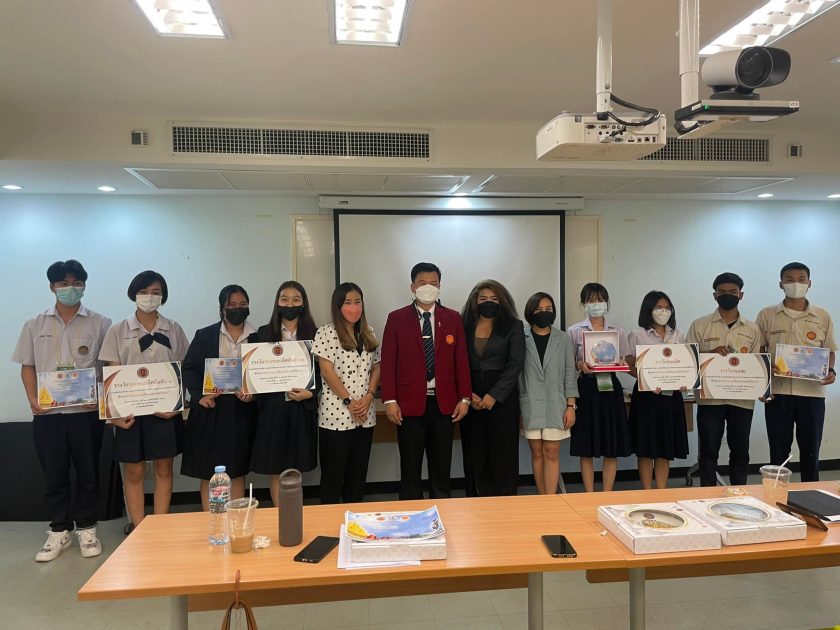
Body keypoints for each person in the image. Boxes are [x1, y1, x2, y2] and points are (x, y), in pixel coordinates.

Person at [12, 260, 111, 562]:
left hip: (86, 413)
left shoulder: (100, 323)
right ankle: (59, 529)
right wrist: (33, 399)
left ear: (84, 285)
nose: (70, 288)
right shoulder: (34, 324)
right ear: (52, 287)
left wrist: (102, 399)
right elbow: (27, 366)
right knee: (54, 474)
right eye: (63, 283)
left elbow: (108, 367)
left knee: (88, 474)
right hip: (49, 416)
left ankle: (87, 528)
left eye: (76, 283)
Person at [98, 270, 189, 530]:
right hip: (130, 414)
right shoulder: (117, 330)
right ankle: (138, 527)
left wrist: (177, 406)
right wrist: (114, 413)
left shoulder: (174, 329)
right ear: (134, 294)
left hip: (164, 413)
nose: (150, 297)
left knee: (164, 469)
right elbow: (111, 373)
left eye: (156, 292)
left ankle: (158, 526)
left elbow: (183, 370)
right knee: (134, 471)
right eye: (144, 291)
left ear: (163, 296)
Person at [380, 262, 472, 500]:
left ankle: (442, 511)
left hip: (444, 405)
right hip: (408, 405)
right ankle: (410, 513)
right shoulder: (396, 318)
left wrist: (465, 398)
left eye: (433, 283)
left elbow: (461, 361)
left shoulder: (452, 318)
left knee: (441, 467)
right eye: (422, 283)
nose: (428, 287)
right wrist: (389, 400)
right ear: (413, 287)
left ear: (440, 286)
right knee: (410, 468)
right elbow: (388, 362)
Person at [757, 262, 837, 482]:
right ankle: (776, 495)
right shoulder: (767, 315)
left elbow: (829, 350)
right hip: (778, 393)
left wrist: (830, 370)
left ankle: (811, 494)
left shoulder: (822, 316)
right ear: (781, 284)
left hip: (812, 394)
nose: (796, 284)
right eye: (790, 280)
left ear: (809, 283)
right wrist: (765, 369)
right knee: (778, 452)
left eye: (801, 279)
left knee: (811, 450)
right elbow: (759, 350)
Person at [181, 285, 257, 510]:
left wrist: (254, 395)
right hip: (212, 409)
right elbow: (190, 369)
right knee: (209, 470)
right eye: (232, 304)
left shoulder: (259, 336)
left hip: (243, 410)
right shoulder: (204, 335)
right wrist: (198, 396)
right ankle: (211, 519)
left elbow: (264, 373)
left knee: (238, 468)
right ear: (222, 307)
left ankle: (235, 519)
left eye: (242, 304)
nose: (237, 308)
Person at [686, 272, 764, 487]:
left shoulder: (752, 329)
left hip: (742, 400)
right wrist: (710, 353)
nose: (727, 295)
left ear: (741, 295)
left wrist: (763, 388)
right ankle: (707, 494)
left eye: (732, 292)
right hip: (710, 399)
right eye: (722, 292)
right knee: (708, 450)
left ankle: (739, 492)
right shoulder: (700, 325)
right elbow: (689, 360)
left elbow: (757, 364)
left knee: (740, 450)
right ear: (714, 295)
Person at [249, 281, 319, 506]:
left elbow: (324, 372)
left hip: (301, 408)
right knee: (275, 466)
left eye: (296, 299)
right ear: (277, 303)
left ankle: (294, 514)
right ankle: (281, 514)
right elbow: (253, 373)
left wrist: (311, 393)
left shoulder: (316, 334)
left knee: (295, 467)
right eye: (284, 299)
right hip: (272, 409)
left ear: (303, 304)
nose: (290, 304)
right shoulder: (262, 334)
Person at [312, 283, 381, 504]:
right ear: (338, 306)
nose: (354, 308)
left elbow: (376, 367)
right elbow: (326, 370)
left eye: (357, 302)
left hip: (365, 416)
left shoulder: (369, 332)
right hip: (336, 417)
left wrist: (369, 396)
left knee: (357, 478)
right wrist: (349, 401)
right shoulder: (326, 332)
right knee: (332, 479)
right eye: (348, 303)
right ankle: (329, 522)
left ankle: (354, 521)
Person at [460, 280, 525, 496]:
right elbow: (455, 362)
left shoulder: (514, 326)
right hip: (470, 398)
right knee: (474, 451)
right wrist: (467, 394)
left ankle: (505, 501)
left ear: (502, 301)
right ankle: (474, 499)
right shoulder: (462, 325)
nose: (489, 302)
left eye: (494, 299)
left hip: (502, 400)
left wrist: (493, 396)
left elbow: (515, 363)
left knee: (502, 453)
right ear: (475, 301)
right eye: (483, 298)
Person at [567, 283, 632, 492]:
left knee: (611, 445)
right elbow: (569, 364)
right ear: (584, 304)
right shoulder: (574, 331)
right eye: (591, 300)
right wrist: (580, 364)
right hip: (586, 389)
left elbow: (624, 361)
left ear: (607, 302)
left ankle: (607, 494)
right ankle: (589, 494)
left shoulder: (618, 331)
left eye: (600, 300)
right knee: (586, 446)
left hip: (610, 388)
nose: (597, 304)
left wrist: (620, 362)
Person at [626, 291, 689, 489]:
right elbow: (628, 364)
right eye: (659, 307)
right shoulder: (637, 334)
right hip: (646, 397)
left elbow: (686, 364)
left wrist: (685, 380)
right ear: (649, 309)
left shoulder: (678, 334)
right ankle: (647, 491)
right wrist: (646, 380)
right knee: (645, 448)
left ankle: (661, 491)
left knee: (665, 447)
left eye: (667, 308)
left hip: (671, 397)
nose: (664, 311)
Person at [519, 292, 578, 495]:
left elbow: (570, 374)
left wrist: (571, 406)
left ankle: (550, 498)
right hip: (530, 403)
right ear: (530, 312)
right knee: (536, 453)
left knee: (551, 452)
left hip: (556, 404)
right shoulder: (521, 337)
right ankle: (542, 498)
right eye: (539, 310)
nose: (544, 313)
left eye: (548, 309)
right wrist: (518, 409)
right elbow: (516, 375)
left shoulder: (563, 339)